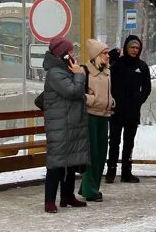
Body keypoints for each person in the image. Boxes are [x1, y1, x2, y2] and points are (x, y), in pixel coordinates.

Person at [41, 36, 89, 213]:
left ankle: (67, 196)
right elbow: (73, 91)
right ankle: (49, 200)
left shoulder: (66, 70)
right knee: (56, 162)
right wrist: (79, 74)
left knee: (70, 160)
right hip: (59, 124)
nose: (73, 54)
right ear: (62, 55)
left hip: (71, 122)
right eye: (70, 52)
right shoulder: (55, 73)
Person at [106, 34, 151, 183]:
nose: (134, 50)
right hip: (116, 110)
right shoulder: (117, 64)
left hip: (132, 111)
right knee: (114, 141)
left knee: (129, 142)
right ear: (126, 47)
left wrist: (138, 100)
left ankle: (127, 171)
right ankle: (111, 171)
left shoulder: (142, 67)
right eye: (132, 47)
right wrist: (112, 57)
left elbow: (146, 88)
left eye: (137, 48)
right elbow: (105, 75)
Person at [79, 39, 114, 202]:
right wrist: (91, 100)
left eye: (107, 53)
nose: (108, 56)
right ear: (96, 55)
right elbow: (77, 92)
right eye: (104, 53)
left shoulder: (107, 71)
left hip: (104, 115)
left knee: (101, 154)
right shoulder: (84, 71)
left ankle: (90, 187)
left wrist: (112, 102)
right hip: (90, 116)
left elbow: (107, 93)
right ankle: (91, 190)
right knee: (92, 154)